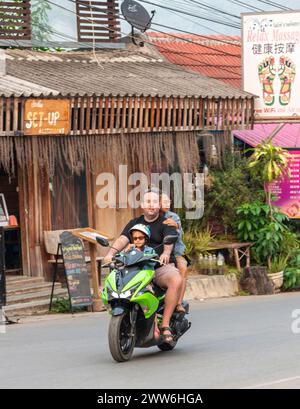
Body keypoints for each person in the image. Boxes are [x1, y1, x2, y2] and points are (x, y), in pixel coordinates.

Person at [103, 189, 183, 344]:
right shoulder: (135, 223)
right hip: (136, 267)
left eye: (154, 202)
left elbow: (169, 239)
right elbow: (123, 238)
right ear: (142, 205)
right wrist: (110, 253)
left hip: (159, 267)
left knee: (175, 279)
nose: (151, 205)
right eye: (148, 202)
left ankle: (165, 324)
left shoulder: (166, 222)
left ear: (159, 205)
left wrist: (166, 253)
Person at [161, 193, 188, 314]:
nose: (167, 204)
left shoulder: (173, 217)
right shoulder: (153, 217)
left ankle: (178, 303)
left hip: (175, 252)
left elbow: (179, 235)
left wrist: (176, 226)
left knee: (183, 267)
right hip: (156, 253)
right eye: (164, 202)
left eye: (168, 201)